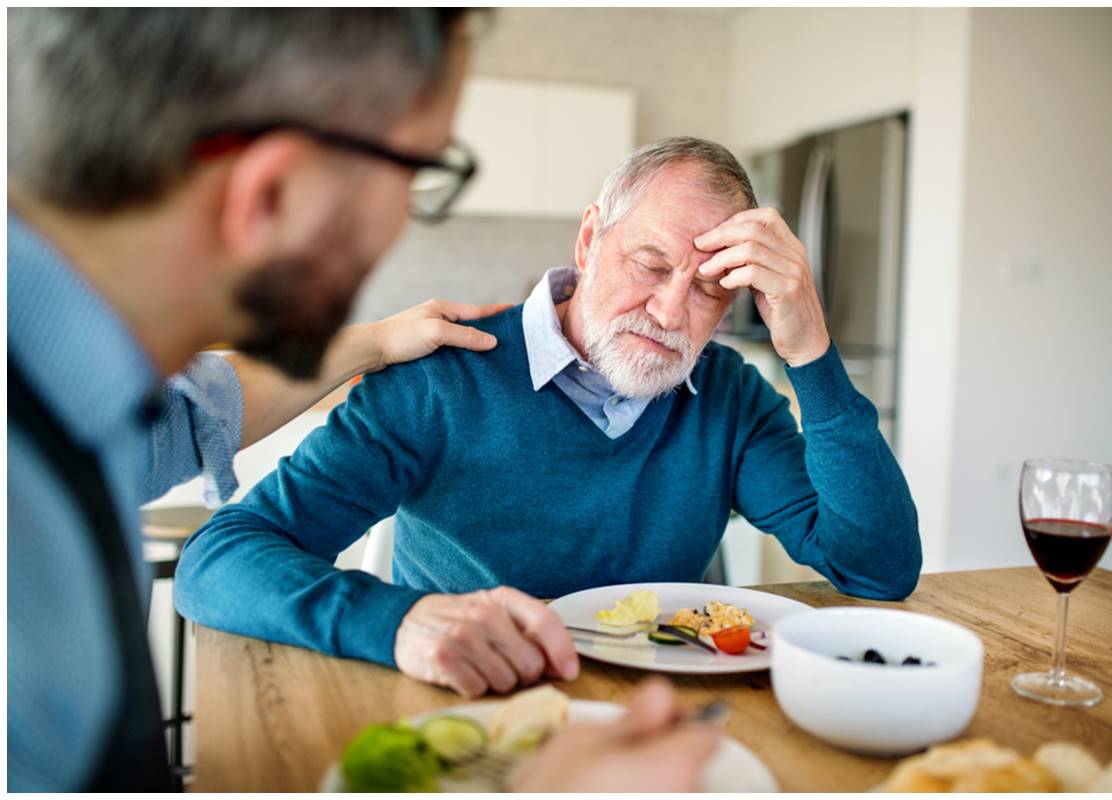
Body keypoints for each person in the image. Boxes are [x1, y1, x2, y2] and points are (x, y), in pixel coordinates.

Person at [8, 8, 711, 792]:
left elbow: (184, 416)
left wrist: (369, 343)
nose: (406, 217)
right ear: (270, 193)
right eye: (419, 169)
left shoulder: (77, 403)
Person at [176, 137, 923, 697]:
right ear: (592, 236)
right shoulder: (443, 373)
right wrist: (396, 622)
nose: (670, 312)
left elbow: (877, 568)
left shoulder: (729, 395)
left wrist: (811, 352)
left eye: (708, 291)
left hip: (651, 731)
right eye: (652, 265)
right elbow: (220, 562)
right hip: (468, 717)